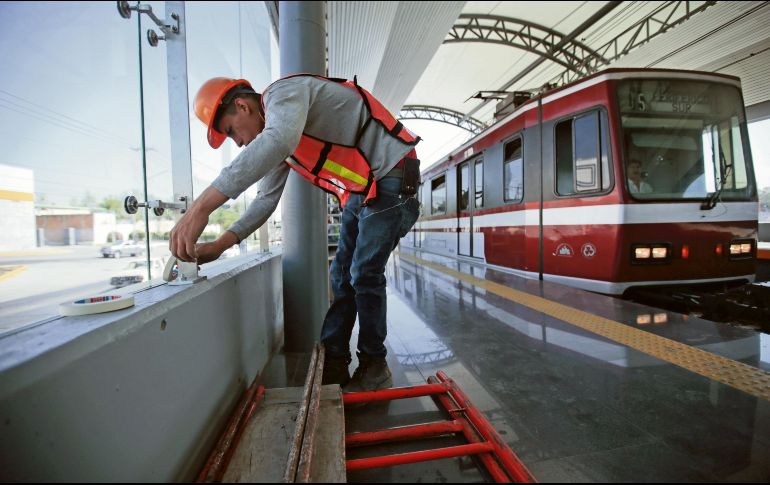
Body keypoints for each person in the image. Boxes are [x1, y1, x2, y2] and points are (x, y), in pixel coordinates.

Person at [169, 75, 421, 393]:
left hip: (392, 176)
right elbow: (265, 200)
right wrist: (220, 246)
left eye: (232, 131)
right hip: (365, 188)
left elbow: (277, 140)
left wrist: (200, 208)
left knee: (364, 273)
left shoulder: (283, 95)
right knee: (342, 276)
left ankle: (374, 365)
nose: (240, 143)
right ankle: (334, 362)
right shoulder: (284, 139)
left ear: (242, 105)